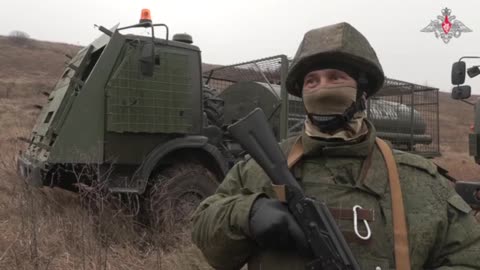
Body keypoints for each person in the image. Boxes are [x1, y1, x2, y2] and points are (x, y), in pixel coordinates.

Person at [191, 22, 480, 270]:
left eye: (335, 77)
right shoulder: (259, 168)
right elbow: (205, 233)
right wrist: (247, 213)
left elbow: (468, 256)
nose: (322, 87)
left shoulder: (418, 180)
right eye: (312, 81)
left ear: (362, 92)